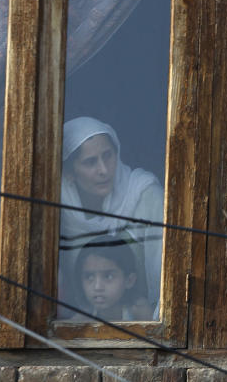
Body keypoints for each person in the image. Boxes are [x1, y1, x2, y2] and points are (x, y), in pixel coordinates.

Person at [59, 117, 163, 320]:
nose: (104, 170)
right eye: (90, 162)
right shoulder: (57, 208)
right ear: (70, 172)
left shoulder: (145, 195)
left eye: (108, 156)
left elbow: (165, 279)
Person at [73, 235, 153, 321]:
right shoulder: (84, 316)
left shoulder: (139, 310)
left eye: (108, 276)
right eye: (90, 277)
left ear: (129, 281)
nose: (97, 287)